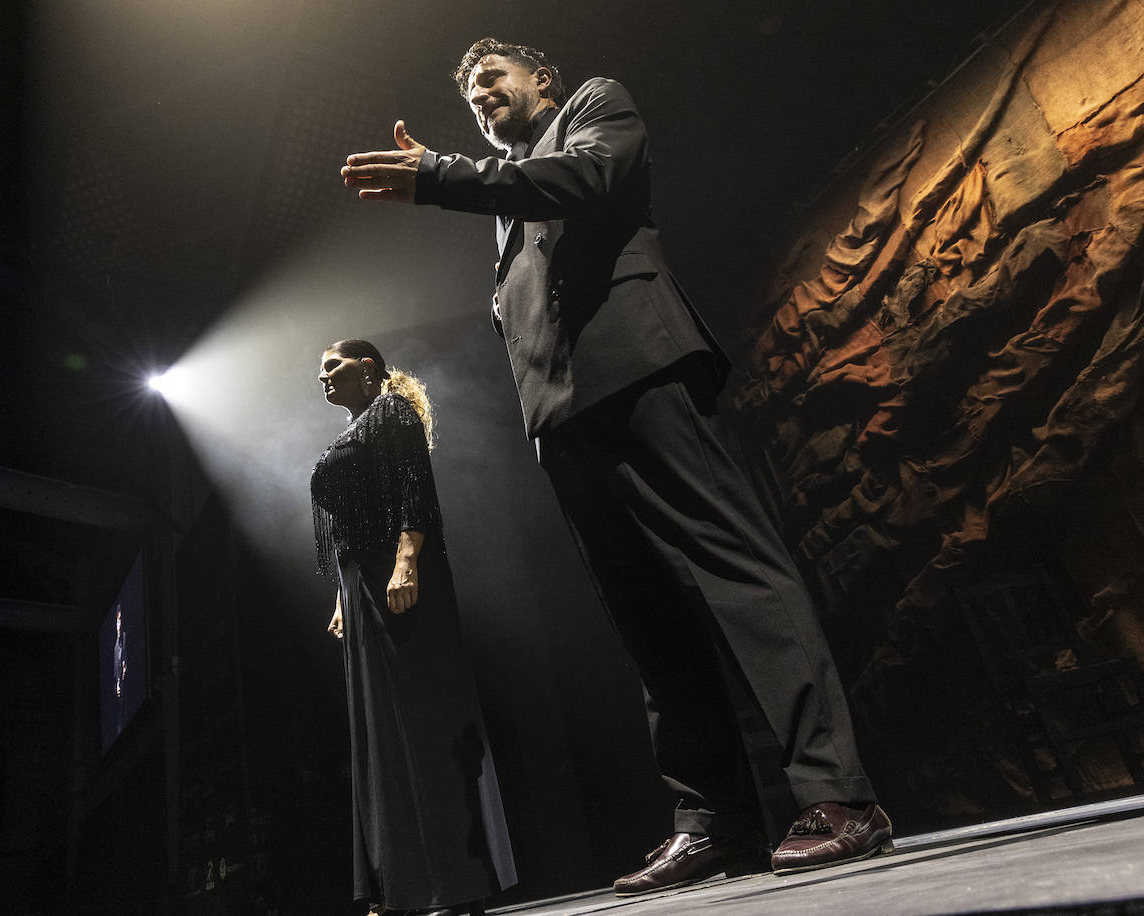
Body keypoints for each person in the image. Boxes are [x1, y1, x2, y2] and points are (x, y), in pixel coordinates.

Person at [339, 38, 892, 893]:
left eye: (494, 79)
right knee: (647, 620)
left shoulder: (596, 108)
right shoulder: (504, 196)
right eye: (471, 93)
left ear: (542, 80)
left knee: (739, 578)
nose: (482, 97)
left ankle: (840, 798)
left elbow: (585, 183)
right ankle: (714, 823)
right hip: (561, 423)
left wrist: (443, 173)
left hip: (637, 375)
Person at [310, 339, 517, 916]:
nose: (323, 378)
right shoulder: (353, 430)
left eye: (333, 366)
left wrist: (407, 561)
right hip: (360, 588)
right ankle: (400, 887)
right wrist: (341, 597)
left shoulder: (391, 413)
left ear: (367, 368)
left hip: (394, 574)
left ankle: (452, 883)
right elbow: (348, 527)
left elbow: (414, 490)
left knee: (422, 726)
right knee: (379, 739)